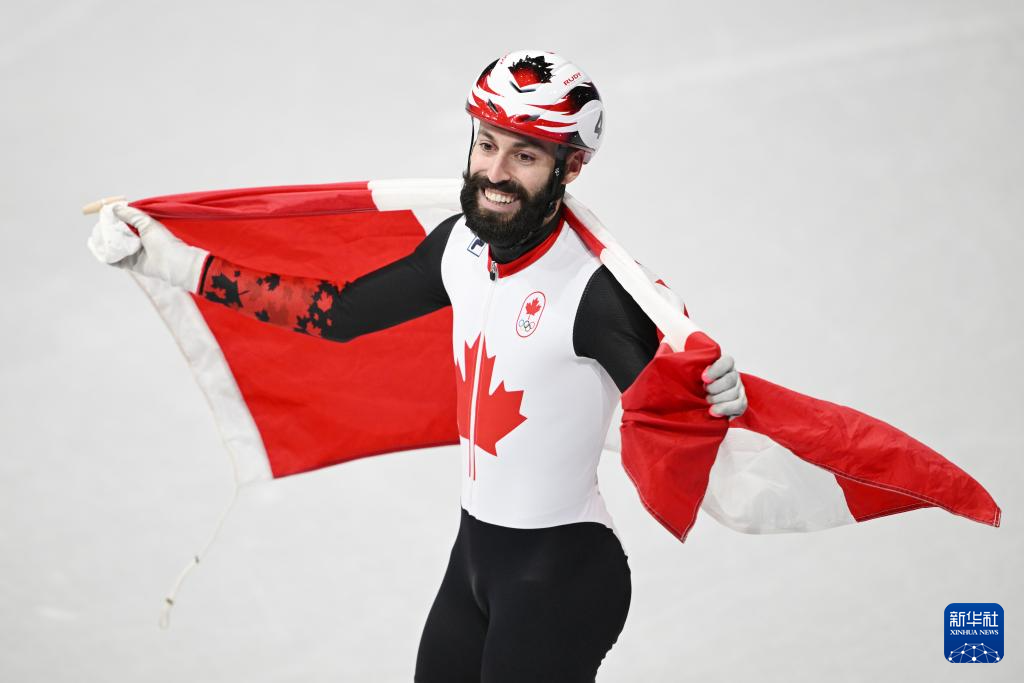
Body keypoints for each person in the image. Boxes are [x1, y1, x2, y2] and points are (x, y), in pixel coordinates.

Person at [91, 49, 747, 682]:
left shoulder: (595, 292)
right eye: (486, 144)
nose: (495, 172)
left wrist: (722, 392)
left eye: (524, 155)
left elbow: (678, 402)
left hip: (562, 579)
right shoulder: (460, 246)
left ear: (570, 167)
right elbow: (338, 313)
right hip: (474, 563)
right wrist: (169, 260)